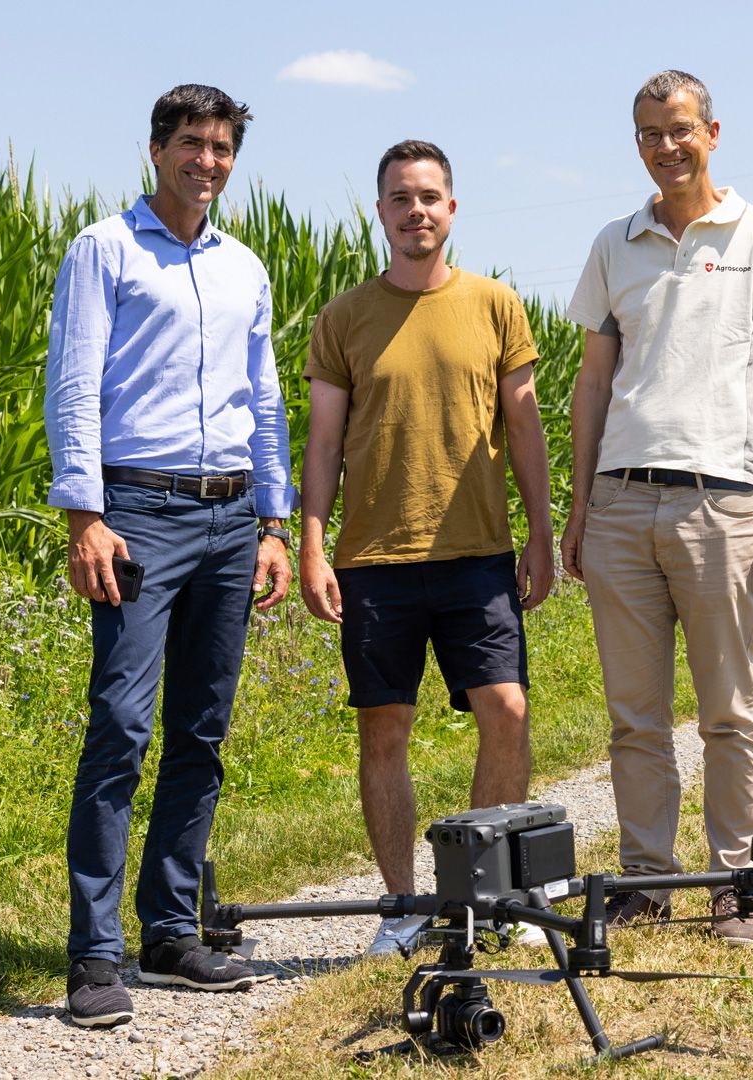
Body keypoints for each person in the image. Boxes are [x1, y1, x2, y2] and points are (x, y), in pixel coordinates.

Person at [44, 83, 295, 1027]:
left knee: (201, 731)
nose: (207, 161)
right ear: (157, 149)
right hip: (138, 513)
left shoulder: (245, 267)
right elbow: (74, 384)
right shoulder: (104, 250)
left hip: (233, 518)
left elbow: (263, 400)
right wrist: (85, 516)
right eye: (191, 143)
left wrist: (275, 524)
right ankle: (94, 957)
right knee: (121, 726)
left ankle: (169, 931)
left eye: (222, 147)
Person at [560, 70, 753, 946]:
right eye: (647, 133)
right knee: (634, 716)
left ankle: (736, 882)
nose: (664, 147)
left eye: (678, 130)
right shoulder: (614, 243)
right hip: (620, 505)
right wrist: (577, 508)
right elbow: (593, 383)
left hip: (726, 504)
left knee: (729, 709)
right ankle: (646, 881)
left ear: (713, 132)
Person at [298, 140, 554, 957]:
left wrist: (543, 531)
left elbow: (524, 426)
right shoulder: (343, 317)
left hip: (477, 555)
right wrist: (310, 541)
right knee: (385, 730)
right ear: (381, 212)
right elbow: (324, 443)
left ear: (453, 209)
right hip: (375, 561)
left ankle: (485, 898)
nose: (417, 211)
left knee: (506, 714)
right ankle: (403, 904)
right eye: (401, 198)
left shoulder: (496, 305)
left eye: (431, 197)